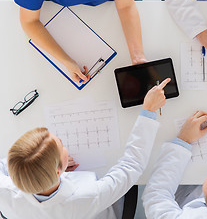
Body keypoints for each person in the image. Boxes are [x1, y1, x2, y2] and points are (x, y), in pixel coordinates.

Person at [0, 78, 171, 219]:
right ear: (58, 171)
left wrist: (44, 170)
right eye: (60, 145)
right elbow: (132, 166)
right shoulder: (86, 197)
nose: (60, 138)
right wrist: (148, 111)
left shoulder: (4, 193)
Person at [13, 0, 147, 84]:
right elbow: (29, 21)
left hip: (108, 8)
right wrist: (67, 62)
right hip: (55, 9)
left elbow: (125, 5)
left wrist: (137, 55)